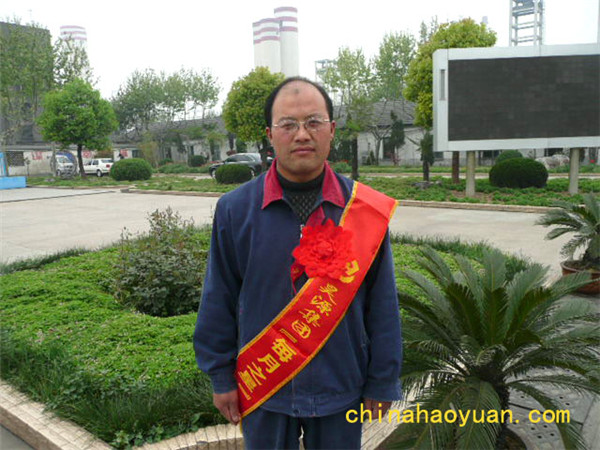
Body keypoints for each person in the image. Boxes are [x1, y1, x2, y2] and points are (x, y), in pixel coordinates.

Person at [194, 77, 402, 449]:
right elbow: (219, 296)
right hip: (265, 387)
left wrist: (383, 380)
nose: (302, 134)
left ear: (332, 130)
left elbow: (382, 302)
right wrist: (221, 377)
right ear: (270, 135)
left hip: (342, 387)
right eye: (288, 124)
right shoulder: (235, 210)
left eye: (313, 122)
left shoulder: (363, 211)